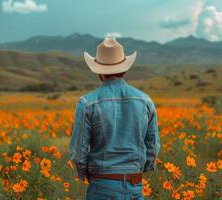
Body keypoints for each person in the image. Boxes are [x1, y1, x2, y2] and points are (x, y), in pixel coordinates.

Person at [69, 36, 161, 200]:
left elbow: (78, 152)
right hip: (135, 185)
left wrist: (87, 174)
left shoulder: (88, 103)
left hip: (102, 185)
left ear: (99, 71)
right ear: (125, 69)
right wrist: (137, 170)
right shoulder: (145, 101)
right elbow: (153, 147)